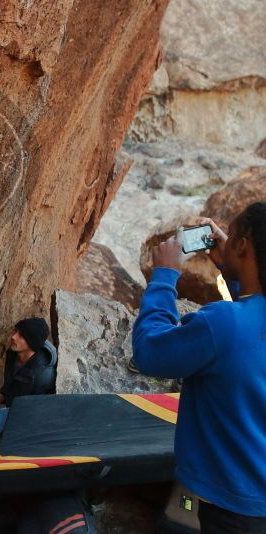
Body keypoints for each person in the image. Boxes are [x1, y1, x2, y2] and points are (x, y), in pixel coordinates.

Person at [132, 202, 266, 532]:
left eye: (231, 236)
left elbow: (150, 351)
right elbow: (248, 332)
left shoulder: (221, 325)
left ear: (243, 245)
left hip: (225, 505)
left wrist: (164, 276)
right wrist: (233, 272)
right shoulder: (239, 326)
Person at [0, 317, 57, 410]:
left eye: (21, 335)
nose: (13, 337)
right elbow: (14, 384)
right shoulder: (13, 354)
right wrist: (1, 397)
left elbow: (38, 409)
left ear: (32, 342)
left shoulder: (43, 376)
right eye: (16, 331)